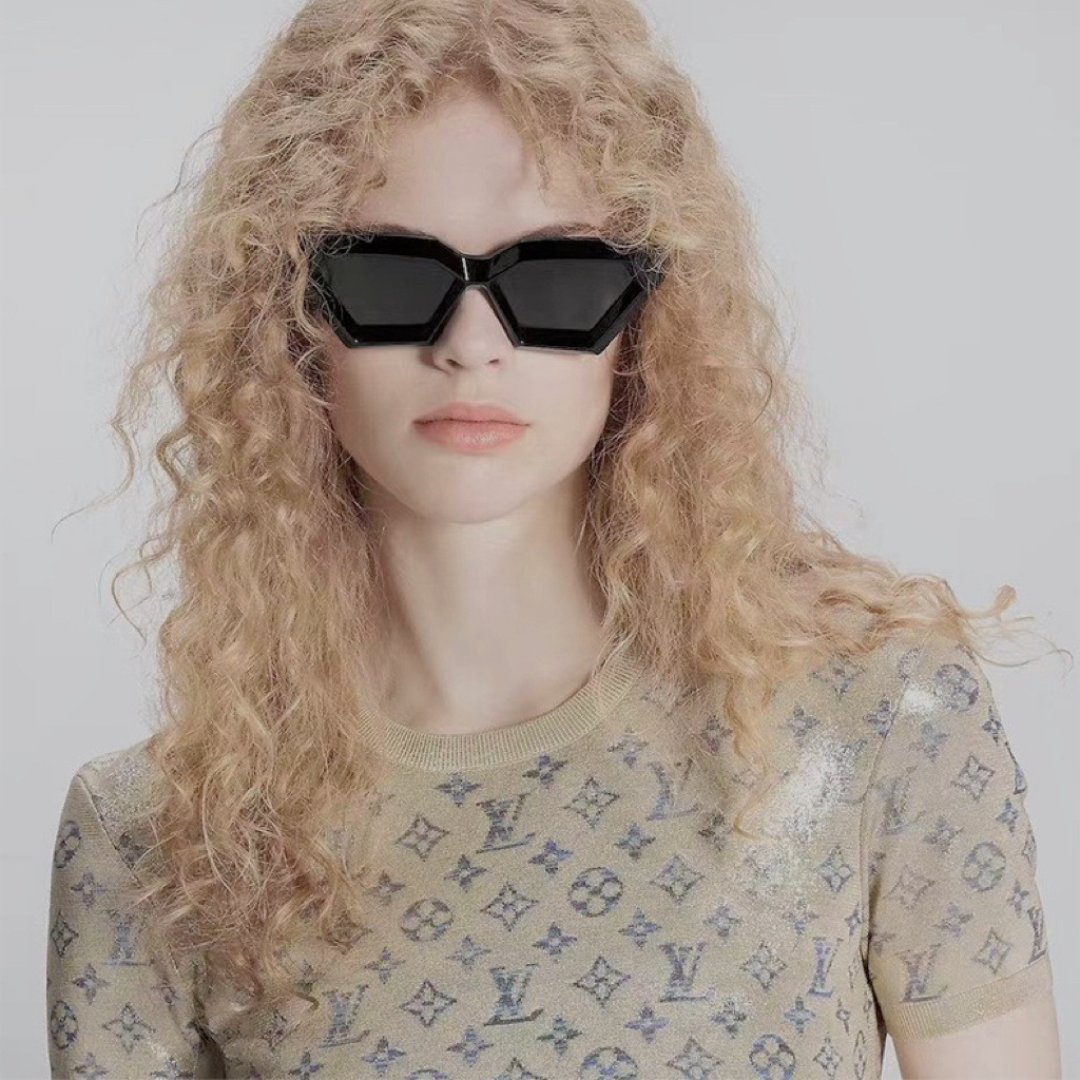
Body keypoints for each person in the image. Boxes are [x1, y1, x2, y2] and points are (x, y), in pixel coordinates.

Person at [45, 1, 1062, 1077]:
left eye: (557, 283)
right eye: (391, 279)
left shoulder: (875, 722)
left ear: (646, 321)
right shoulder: (158, 843)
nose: (470, 344)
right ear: (287, 319)